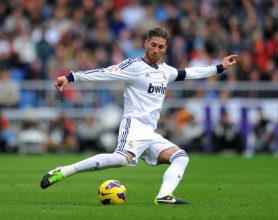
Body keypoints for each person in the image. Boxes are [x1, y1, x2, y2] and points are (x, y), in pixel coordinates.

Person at [40, 27, 238, 204]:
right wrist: (71, 77)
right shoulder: (133, 66)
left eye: (161, 47)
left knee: (180, 157)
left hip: (150, 132)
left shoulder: (165, 71)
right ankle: (64, 171)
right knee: (120, 160)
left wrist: (219, 67)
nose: (156, 50)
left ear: (165, 49)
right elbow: (105, 72)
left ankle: (163, 196)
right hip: (133, 125)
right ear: (145, 43)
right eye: (153, 45)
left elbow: (190, 72)